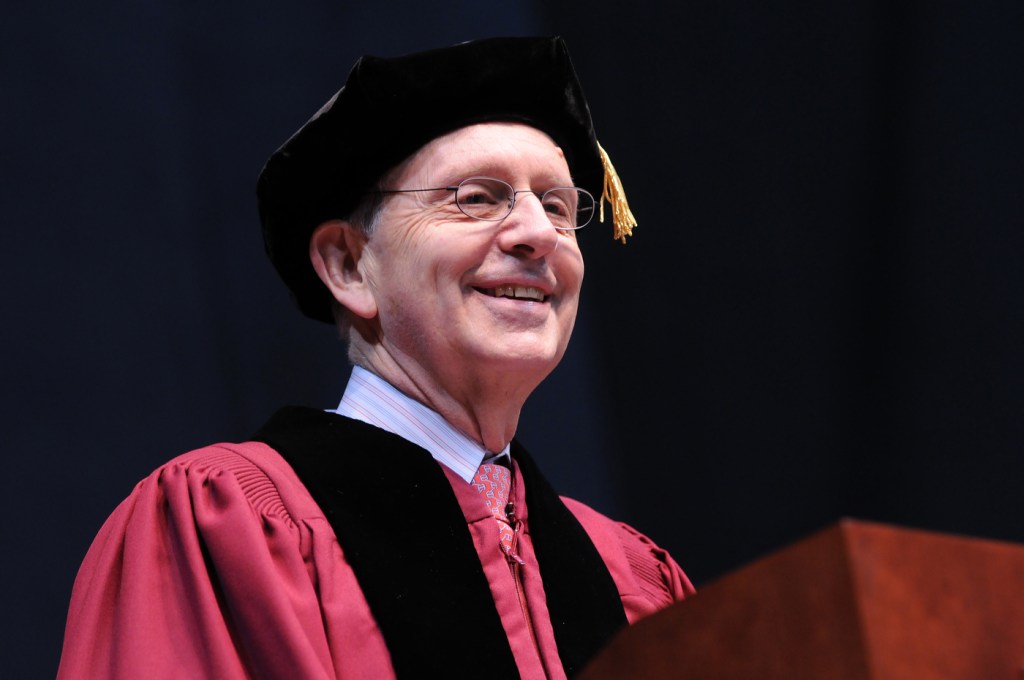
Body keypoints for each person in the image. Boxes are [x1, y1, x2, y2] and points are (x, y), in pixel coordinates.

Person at [57, 36, 693, 679]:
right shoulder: (227, 529)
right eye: (476, 198)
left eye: (557, 207)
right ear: (348, 266)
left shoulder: (630, 576)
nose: (538, 235)